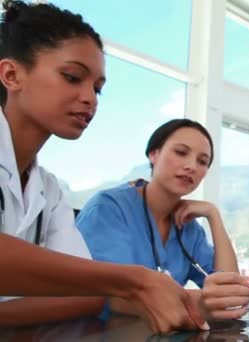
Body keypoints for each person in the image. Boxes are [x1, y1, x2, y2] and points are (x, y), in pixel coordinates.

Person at [0, 0, 216, 332]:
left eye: (98, 89)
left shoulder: (50, 191)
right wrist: (134, 280)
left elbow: (89, 294)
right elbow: (95, 286)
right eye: (72, 77)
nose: (90, 98)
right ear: (11, 75)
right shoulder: (112, 206)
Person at [77, 119, 249, 320]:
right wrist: (199, 305)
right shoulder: (109, 208)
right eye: (181, 152)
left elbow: (229, 292)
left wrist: (213, 215)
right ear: (154, 154)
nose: (191, 166)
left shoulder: (190, 229)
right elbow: (116, 296)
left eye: (202, 161)